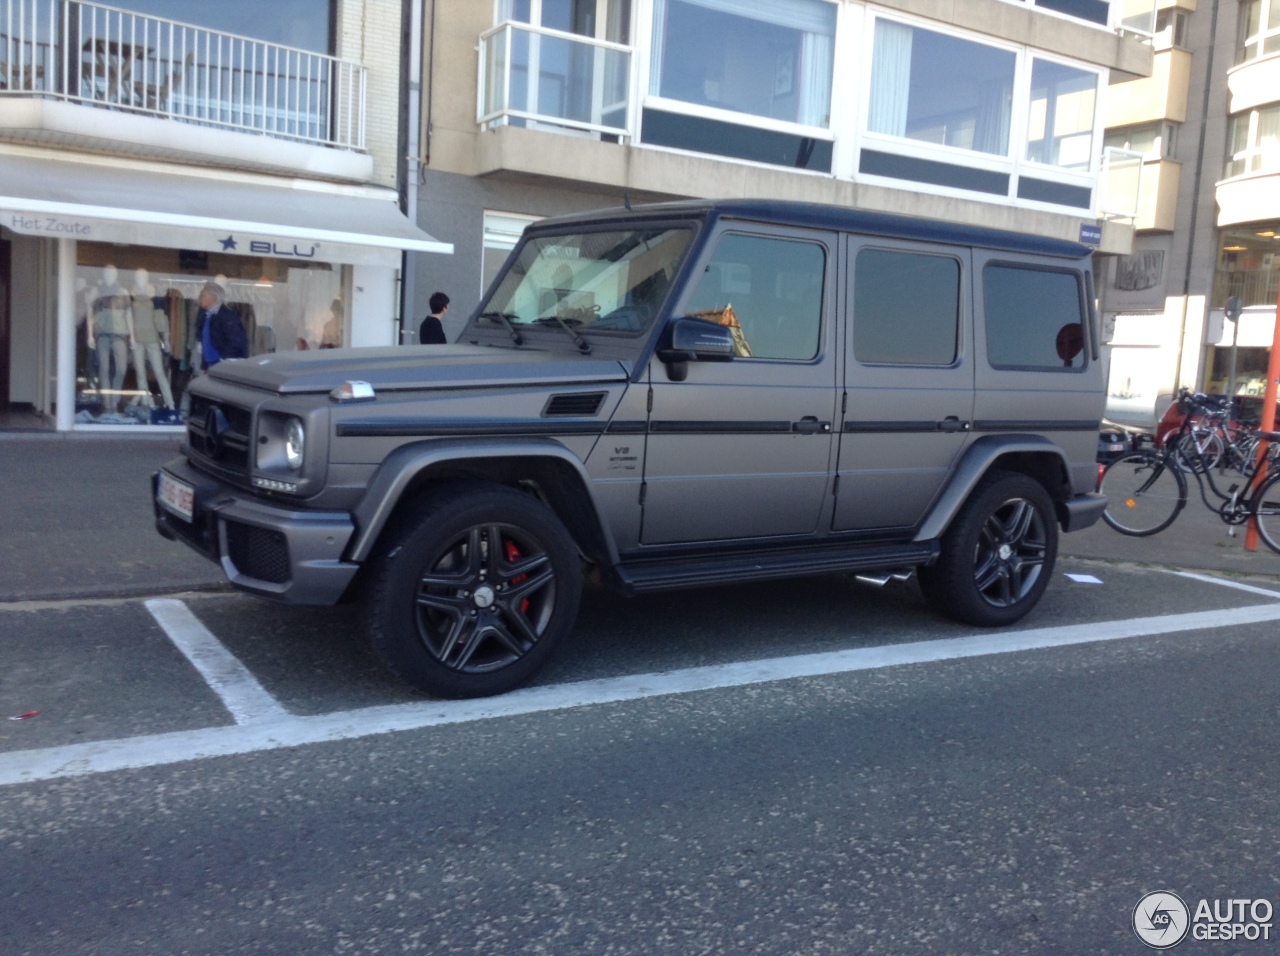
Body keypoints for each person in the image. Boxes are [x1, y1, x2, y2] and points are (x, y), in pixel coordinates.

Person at [87, 264, 134, 411]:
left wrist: (132, 336)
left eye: (112, 274)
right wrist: (90, 335)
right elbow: (90, 314)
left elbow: (129, 315)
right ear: (104, 274)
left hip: (120, 334)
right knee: (104, 369)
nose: (110, 276)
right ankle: (107, 402)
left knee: (121, 369)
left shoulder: (123, 292)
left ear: (116, 275)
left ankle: (114, 398)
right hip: (102, 335)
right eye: (107, 273)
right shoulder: (97, 292)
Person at [130, 268, 176, 409]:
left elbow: (162, 319)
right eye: (137, 276)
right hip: (137, 339)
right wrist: (130, 337)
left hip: (152, 338)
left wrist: (166, 339)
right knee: (140, 373)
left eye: (142, 276)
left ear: (147, 277)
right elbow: (129, 317)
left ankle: (170, 403)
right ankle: (145, 403)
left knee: (159, 372)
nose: (140, 279)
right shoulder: (131, 294)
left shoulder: (155, 295)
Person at [195, 280, 248, 371]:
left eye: (203, 295)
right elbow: (207, 341)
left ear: (213, 297)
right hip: (211, 366)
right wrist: (205, 366)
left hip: (223, 367)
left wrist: (223, 360)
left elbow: (237, 341)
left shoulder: (226, 316)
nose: (200, 298)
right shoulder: (207, 315)